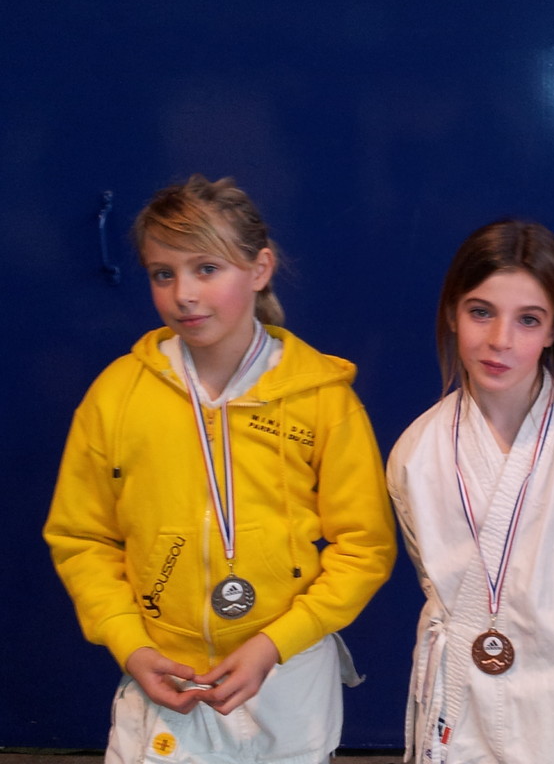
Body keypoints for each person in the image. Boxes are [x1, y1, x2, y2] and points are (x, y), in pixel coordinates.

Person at [44, 175, 396, 764]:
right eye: (163, 274)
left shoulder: (321, 398)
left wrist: (275, 643)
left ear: (260, 269)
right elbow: (81, 538)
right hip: (165, 670)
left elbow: (365, 547)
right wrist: (129, 644)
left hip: (286, 671)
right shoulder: (117, 396)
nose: (183, 293)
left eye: (207, 269)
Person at [387, 219, 554, 763]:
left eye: (528, 319)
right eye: (481, 312)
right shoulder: (417, 451)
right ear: (452, 314)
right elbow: (427, 567)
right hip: (461, 689)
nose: (500, 340)